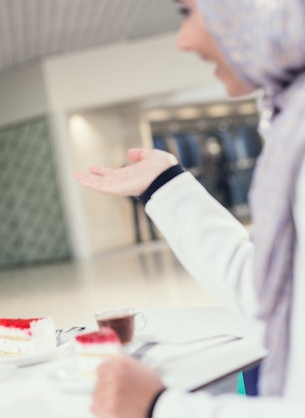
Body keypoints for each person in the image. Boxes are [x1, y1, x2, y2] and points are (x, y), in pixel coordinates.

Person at [74, 0, 305, 417]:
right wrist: (165, 186)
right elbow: (277, 297)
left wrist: (160, 406)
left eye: (188, 11)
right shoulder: (291, 119)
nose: (183, 40)